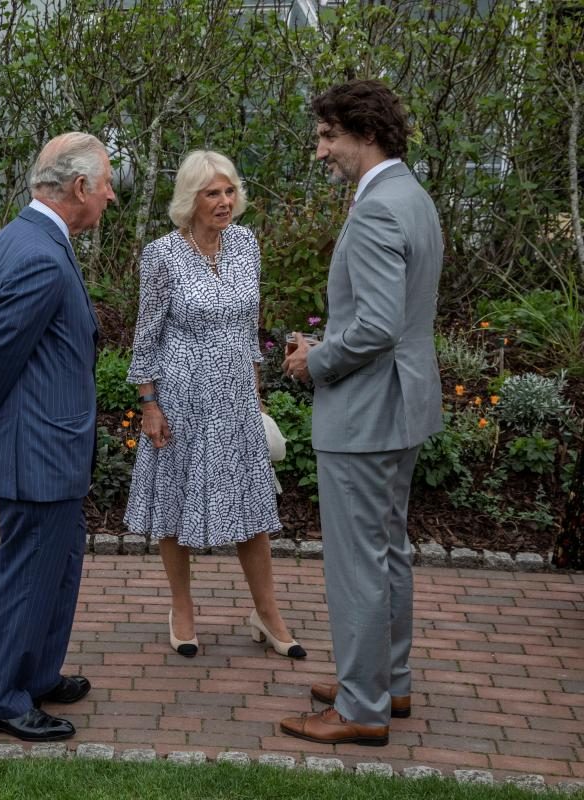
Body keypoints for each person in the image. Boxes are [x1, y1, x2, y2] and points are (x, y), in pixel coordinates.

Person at [0, 132, 114, 742]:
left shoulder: (18, 239)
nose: (112, 196)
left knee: (57, 567)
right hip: (38, 449)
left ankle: (36, 674)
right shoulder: (37, 252)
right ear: (80, 187)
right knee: (30, 572)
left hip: (46, 445)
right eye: (108, 184)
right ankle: (0, 700)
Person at [280, 80, 443, 746]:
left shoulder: (378, 208)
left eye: (328, 137)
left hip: (368, 411)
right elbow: (393, 320)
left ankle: (361, 708)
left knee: (359, 562)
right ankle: (386, 683)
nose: (321, 152)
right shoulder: (414, 196)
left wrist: (313, 361)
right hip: (401, 402)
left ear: (365, 134)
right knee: (389, 553)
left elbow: (375, 325)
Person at [124, 150, 305, 662]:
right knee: (176, 501)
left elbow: (250, 327)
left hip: (235, 396)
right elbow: (146, 334)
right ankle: (182, 609)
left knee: (251, 504)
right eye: (212, 193)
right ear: (191, 199)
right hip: (181, 394)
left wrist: (255, 396)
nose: (225, 202)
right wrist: (149, 404)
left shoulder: (247, 244)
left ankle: (267, 614)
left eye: (229, 192)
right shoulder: (163, 254)